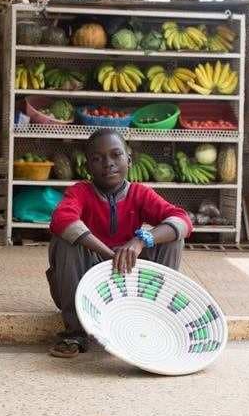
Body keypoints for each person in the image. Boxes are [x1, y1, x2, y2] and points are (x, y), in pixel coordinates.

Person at [46, 129, 192, 358]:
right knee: (64, 241)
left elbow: (182, 219)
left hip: (127, 281)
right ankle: (75, 332)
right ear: (87, 167)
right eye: (97, 158)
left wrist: (140, 240)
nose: (108, 163)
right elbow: (61, 219)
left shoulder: (140, 194)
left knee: (172, 239)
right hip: (86, 284)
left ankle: (155, 322)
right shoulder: (80, 192)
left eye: (116, 155)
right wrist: (107, 253)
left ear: (129, 160)